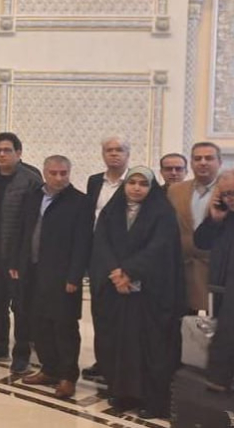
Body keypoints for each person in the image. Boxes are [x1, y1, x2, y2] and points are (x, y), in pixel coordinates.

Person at [90, 166, 183, 420]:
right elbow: (101, 243)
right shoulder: (112, 210)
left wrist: (129, 272)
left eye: (143, 184)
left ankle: (151, 400)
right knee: (119, 344)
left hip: (150, 293)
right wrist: (115, 272)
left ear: (151, 188)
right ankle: (123, 393)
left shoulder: (162, 213)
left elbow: (159, 247)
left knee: (150, 346)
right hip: (117, 291)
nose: (137, 188)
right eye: (132, 183)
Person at [15, 156, 93, 399]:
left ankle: (68, 376)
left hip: (62, 275)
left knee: (64, 326)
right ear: (44, 172)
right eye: (54, 173)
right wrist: (17, 263)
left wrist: (75, 276)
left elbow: (82, 242)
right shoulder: (33, 196)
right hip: (33, 272)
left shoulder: (80, 201)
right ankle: (49, 369)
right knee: (39, 323)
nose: (59, 178)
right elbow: (23, 231)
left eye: (63, 173)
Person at [0, 133, 43, 375]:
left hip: (18, 256)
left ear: (19, 153)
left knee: (21, 307)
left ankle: (21, 354)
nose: (2, 154)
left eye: (7, 150)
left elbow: (32, 224)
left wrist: (22, 258)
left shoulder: (30, 180)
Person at [83, 135, 131, 382]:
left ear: (127, 154)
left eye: (119, 150)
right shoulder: (94, 181)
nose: (114, 154)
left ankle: (119, 365)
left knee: (121, 315)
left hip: (123, 258)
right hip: (97, 255)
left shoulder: (135, 182)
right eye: (109, 150)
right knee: (99, 311)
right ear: (103, 154)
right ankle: (102, 361)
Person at [168, 142, 222, 313]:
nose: (203, 162)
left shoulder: (228, 190)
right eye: (197, 158)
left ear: (219, 162)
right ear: (191, 163)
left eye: (209, 158)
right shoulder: (175, 190)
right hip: (181, 268)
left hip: (216, 269)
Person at [193, 170, 234, 393]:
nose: (230, 198)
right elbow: (201, 242)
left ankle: (218, 379)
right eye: (226, 194)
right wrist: (214, 220)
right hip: (220, 289)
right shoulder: (222, 216)